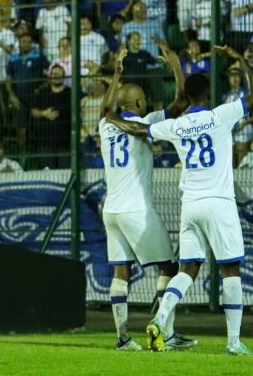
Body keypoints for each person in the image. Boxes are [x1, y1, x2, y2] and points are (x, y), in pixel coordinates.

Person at [108, 45, 253, 355]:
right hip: (219, 201)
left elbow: (141, 130)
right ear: (208, 93)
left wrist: (112, 119)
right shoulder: (221, 114)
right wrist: (241, 58)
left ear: (190, 97)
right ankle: (233, 341)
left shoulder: (176, 125)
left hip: (190, 205)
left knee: (186, 269)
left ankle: (160, 319)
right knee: (230, 270)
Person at [98, 45, 194, 351]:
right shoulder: (145, 122)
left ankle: (123, 337)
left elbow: (105, 108)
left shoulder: (105, 124)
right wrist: (177, 68)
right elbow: (182, 104)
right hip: (135, 209)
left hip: (110, 209)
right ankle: (164, 332)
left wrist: (115, 75)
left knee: (120, 271)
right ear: (139, 102)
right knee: (169, 268)